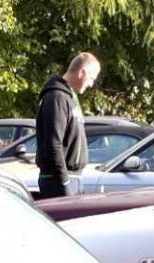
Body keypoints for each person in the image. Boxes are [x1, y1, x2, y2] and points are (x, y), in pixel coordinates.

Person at [34, 51, 100, 199]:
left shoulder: (70, 98)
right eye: (91, 78)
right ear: (82, 72)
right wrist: (64, 182)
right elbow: (53, 145)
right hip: (58, 181)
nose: (91, 84)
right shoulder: (56, 98)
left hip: (73, 179)